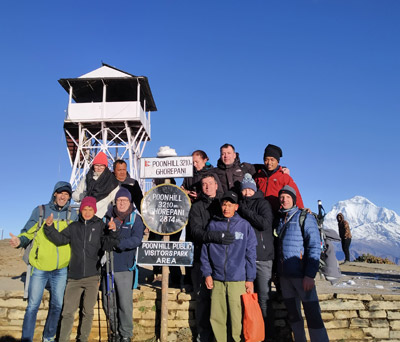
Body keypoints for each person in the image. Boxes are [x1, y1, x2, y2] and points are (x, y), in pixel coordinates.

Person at [9, 181, 77, 342]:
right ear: (55, 193)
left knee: (57, 306)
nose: (63, 196)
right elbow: (28, 232)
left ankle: (48, 337)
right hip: (40, 268)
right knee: (32, 306)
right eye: (61, 193)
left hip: (61, 269)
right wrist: (20, 241)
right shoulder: (41, 211)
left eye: (67, 194)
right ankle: (27, 339)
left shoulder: (73, 215)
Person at [44, 197, 109, 342]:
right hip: (73, 277)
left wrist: (113, 231)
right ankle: (63, 339)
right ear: (80, 210)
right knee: (67, 312)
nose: (87, 212)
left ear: (94, 210)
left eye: (90, 209)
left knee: (88, 312)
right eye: (84, 209)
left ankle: (83, 339)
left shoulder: (100, 225)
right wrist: (49, 228)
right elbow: (60, 239)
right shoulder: (73, 227)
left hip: (93, 277)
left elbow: (109, 243)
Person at [201, 190, 257, 342]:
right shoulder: (212, 225)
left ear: (236, 207)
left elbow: (251, 253)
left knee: (237, 316)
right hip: (217, 279)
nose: (226, 208)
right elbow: (205, 251)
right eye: (224, 205)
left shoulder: (244, 226)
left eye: (230, 205)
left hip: (237, 279)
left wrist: (250, 278)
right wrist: (207, 273)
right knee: (217, 316)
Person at [276, 185, 329, 342]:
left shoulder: (305, 217)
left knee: (313, 314)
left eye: (287, 197)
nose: (284, 199)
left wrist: (309, 275)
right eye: (282, 197)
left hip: (302, 275)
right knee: (294, 316)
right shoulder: (280, 219)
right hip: (285, 277)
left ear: (294, 199)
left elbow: (314, 246)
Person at [187, 173, 235, 342]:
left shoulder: (225, 203)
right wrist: (216, 236)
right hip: (202, 259)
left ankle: (223, 337)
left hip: (224, 259)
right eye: (204, 184)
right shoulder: (197, 207)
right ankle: (203, 336)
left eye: (210, 183)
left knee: (224, 301)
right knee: (203, 300)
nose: (207, 187)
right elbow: (195, 232)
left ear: (216, 185)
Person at [102, 187, 144, 342]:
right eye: (119, 200)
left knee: (125, 305)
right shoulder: (108, 217)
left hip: (125, 268)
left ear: (130, 202)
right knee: (109, 303)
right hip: (108, 267)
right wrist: (109, 233)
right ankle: (115, 332)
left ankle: (125, 334)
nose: (121, 203)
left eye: (124, 200)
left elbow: (137, 240)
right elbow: (102, 239)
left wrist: (119, 243)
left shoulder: (135, 219)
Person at [238, 173, 275, 341]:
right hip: (244, 257)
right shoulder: (238, 204)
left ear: (254, 189)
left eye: (249, 189)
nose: (246, 192)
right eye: (244, 189)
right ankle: (251, 334)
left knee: (264, 297)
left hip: (262, 257)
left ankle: (268, 335)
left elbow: (264, 224)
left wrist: (244, 210)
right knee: (246, 297)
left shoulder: (263, 203)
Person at [254, 144, 304, 218]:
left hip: (278, 214)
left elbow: (295, 194)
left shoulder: (284, 177)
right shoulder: (258, 176)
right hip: (261, 214)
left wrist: (301, 209)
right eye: (266, 159)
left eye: (272, 160)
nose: (269, 163)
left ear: (277, 161)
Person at [73, 151, 119, 218]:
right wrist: (83, 196)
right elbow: (75, 195)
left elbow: (115, 201)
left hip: (103, 218)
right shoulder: (87, 178)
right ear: (93, 166)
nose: (99, 168)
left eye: (102, 165)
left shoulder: (112, 181)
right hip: (85, 216)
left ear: (105, 166)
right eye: (96, 165)